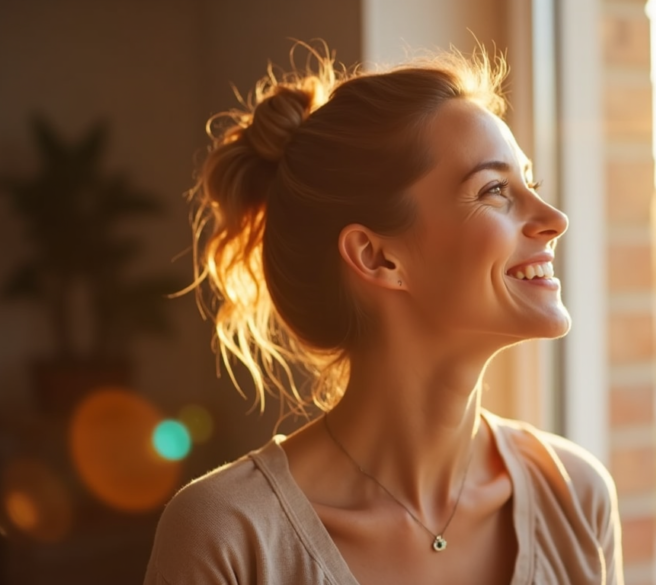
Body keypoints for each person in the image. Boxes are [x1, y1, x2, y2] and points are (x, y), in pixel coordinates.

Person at [144, 45, 623, 585]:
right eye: (494, 190)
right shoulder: (228, 536)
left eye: (529, 185)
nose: (555, 219)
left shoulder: (578, 497)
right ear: (378, 257)